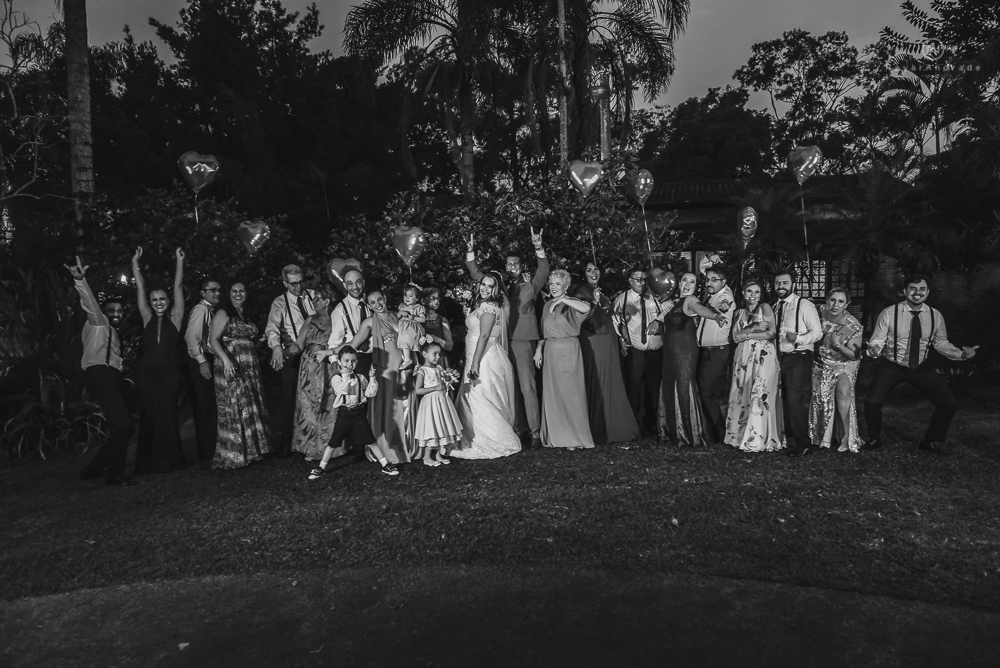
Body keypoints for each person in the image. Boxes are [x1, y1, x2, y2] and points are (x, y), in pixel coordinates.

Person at [862, 274, 978, 455]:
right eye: (913, 289)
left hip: (921, 367)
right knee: (871, 402)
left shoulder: (934, 316)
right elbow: (877, 340)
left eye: (922, 289)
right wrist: (874, 350)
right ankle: (874, 438)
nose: (917, 293)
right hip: (892, 365)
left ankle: (931, 441)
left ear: (927, 292)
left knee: (948, 403)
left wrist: (961, 354)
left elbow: (941, 343)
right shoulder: (889, 313)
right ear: (904, 291)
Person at [466, 227, 549, 449]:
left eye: (516, 264)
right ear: (505, 266)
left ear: (522, 266)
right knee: (508, 387)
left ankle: (535, 432)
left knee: (527, 386)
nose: (512, 267)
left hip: (522, 341)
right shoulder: (500, 286)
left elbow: (544, 270)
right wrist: (470, 253)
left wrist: (539, 248)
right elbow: (478, 276)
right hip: (500, 342)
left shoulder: (530, 285)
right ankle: (516, 428)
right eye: (509, 264)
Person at [65, 256, 136, 487]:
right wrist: (80, 280)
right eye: (111, 310)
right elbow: (89, 303)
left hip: (109, 375)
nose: (116, 313)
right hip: (99, 373)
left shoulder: (113, 332)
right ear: (104, 312)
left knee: (121, 426)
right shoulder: (99, 323)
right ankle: (114, 473)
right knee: (124, 425)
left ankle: (93, 469)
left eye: (120, 311)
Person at [452, 272, 522, 459]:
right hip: (475, 354)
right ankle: (474, 436)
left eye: (489, 286)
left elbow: (484, 336)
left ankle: (490, 441)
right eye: (483, 284)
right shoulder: (483, 305)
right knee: (477, 396)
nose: (484, 288)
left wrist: (475, 363)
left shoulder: (489, 307)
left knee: (481, 397)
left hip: (484, 358)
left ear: (495, 289)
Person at [344, 290, 416, 467]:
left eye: (379, 300)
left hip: (404, 369)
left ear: (385, 298)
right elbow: (352, 344)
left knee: (406, 408)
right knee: (388, 411)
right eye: (372, 302)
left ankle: (408, 445)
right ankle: (389, 448)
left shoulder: (397, 316)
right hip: (385, 372)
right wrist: (329, 353)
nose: (377, 304)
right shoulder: (369, 322)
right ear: (368, 306)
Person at [131, 246, 186, 475]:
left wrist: (179, 261)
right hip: (147, 374)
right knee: (150, 413)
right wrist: (135, 263)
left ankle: (170, 461)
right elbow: (141, 288)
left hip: (169, 373)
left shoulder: (176, 316)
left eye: (162, 298)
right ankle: (148, 463)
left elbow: (178, 286)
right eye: (155, 300)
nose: (158, 302)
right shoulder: (146, 317)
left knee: (168, 413)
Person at [573, 262, 639, 445]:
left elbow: (607, 315)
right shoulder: (581, 292)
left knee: (611, 380)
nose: (593, 272)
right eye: (589, 270)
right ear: (583, 274)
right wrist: (594, 301)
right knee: (599, 380)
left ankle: (615, 424)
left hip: (608, 339)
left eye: (596, 269)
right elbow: (582, 318)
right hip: (595, 340)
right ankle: (600, 428)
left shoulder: (599, 291)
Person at [657, 272, 722, 447]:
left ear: (695, 286)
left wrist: (715, 316)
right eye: (684, 280)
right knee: (670, 385)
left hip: (685, 352)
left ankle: (687, 432)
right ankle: (671, 430)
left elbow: (701, 309)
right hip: (670, 352)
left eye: (691, 282)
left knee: (683, 386)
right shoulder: (674, 302)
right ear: (679, 283)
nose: (687, 284)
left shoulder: (691, 300)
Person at [210, 282, 271, 469]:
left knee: (250, 403)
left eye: (241, 291)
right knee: (235, 404)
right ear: (229, 294)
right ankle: (235, 454)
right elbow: (213, 340)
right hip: (230, 363)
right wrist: (226, 360)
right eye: (234, 291)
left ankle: (254, 450)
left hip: (249, 366)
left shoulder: (247, 313)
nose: (238, 294)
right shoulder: (223, 313)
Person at [308, 346, 393, 479]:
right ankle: (321, 467)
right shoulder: (337, 379)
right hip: (344, 413)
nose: (350, 364)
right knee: (334, 442)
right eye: (346, 361)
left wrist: (371, 378)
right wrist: (345, 374)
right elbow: (343, 390)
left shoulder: (360, 377)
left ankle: (385, 464)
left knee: (370, 440)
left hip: (358, 413)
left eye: (353, 361)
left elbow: (370, 393)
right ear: (340, 362)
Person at [534, 270, 594, 450]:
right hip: (551, 351)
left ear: (566, 286)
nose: (553, 287)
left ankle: (573, 437)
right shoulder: (546, 306)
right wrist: (538, 350)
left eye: (558, 284)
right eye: (551, 284)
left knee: (571, 394)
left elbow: (587, 308)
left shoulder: (573, 303)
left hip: (569, 350)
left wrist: (562, 300)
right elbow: (544, 332)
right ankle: (555, 435)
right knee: (553, 394)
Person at [724, 279, 783, 452]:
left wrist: (747, 335)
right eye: (750, 291)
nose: (753, 295)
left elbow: (771, 333)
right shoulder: (738, 312)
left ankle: (759, 436)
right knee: (742, 391)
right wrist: (753, 328)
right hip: (742, 355)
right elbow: (735, 337)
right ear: (743, 293)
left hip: (762, 354)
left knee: (759, 391)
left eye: (757, 292)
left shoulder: (764, 307)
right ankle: (739, 434)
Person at [265, 264, 316, 457]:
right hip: (293, 353)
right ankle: (287, 444)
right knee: (290, 399)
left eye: (300, 282)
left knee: (313, 397)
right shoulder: (279, 303)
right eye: (293, 284)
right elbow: (272, 328)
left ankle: (313, 440)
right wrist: (276, 347)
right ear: (285, 283)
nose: (298, 287)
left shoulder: (312, 295)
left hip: (315, 352)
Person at [773, 269, 823, 457]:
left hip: (799, 355)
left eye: (784, 283)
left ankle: (804, 444)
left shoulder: (804, 305)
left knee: (795, 399)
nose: (781, 286)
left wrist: (798, 339)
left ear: (792, 284)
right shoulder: (776, 306)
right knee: (785, 397)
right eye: (778, 283)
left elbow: (817, 333)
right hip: (781, 357)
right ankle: (790, 436)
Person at [809, 287, 864, 452]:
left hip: (844, 363)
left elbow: (854, 355)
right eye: (832, 300)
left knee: (843, 393)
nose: (835, 304)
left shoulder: (851, 325)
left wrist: (838, 344)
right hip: (821, 362)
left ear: (846, 304)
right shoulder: (819, 312)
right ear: (827, 301)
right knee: (821, 397)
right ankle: (821, 435)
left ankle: (847, 436)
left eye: (840, 301)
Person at [612, 266, 664, 436]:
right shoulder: (622, 299)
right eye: (637, 279)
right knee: (633, 389)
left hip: (655, 352)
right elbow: (615, 322)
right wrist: (620, 340)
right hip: (635, 352)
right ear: (630, 281)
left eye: (644, 279)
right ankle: (631, 425)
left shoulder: (656, 297)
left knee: (653, 389)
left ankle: (651, 424)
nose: (641, 283)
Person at [291, 286, 340, 461]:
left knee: (330, 405)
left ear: (327, 301)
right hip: (309, 367)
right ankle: (310, 448)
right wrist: (286, 350)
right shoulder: (310, 320)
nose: (314, 301)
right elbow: (299, 343)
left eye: (317, 299)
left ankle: (331, 447)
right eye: (314, 299)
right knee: (309, 405)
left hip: (329, 364)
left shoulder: (337, 318)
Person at [695, 266, 734, 445]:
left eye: (714, 280)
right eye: (707, 279)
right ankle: (711, 429)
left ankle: (719, 432)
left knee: (706, 391)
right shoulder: (709, 295)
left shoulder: (725, 296)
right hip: (705, 350)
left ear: (723, 282)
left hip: (717, 351)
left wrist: (722, 307)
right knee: (705, 391)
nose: (709, 283)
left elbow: (723, 306)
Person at [185, 276, 222, 463]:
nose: (217, 293)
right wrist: (201, 361)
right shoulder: (201, 310)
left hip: (206, 358)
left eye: (218, 289)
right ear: (203, 293)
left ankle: (211, 449)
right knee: (205, 405)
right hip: (201, 359)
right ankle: (207, 452)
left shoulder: (210, 309)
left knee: (210, 405)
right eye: (212, 290)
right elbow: (192, 337)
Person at [413, 341, 462, 466]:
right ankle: (427, 456)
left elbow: (443, 383)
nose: (438, 357)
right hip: (430, 403)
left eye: (439, 354)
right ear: (424, 354)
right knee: (432, 426)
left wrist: (448, 381)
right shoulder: (422, 371)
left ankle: (439, 453)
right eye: (434, 354)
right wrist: (434, 388)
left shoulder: (439, 368)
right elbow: (418, 390)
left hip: (441, 402)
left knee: (442, 425)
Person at [329, 269, 373, 377]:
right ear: (344, 285)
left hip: (377, 357)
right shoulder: (340, 310)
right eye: (350, 283)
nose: (355, 287)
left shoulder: (371, 302)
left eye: (358, 282)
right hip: (356, 360)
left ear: (363, 282)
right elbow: (334, 341)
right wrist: (334, 362)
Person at [422, 287, 454, 368]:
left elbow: (449, 346)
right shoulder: (416, 319)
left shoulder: (442, 320)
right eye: (432, 298)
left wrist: (437, 339)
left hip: (439, 359)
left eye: (437, 298)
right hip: (422, 358)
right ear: (423, 300)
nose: (436, 301)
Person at [395, 285, 426, 370]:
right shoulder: (402, 306)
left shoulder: (418, 307)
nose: (407, 298)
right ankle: (417, 365)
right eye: (405, 295)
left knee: (406, 342)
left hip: (411, 329)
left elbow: (423, 319)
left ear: (416, 299)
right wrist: (401, 313)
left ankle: (407, 360)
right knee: (410, 347)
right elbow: (397, 317)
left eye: (410, 296)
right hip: (403, 328)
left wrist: (413, 318)